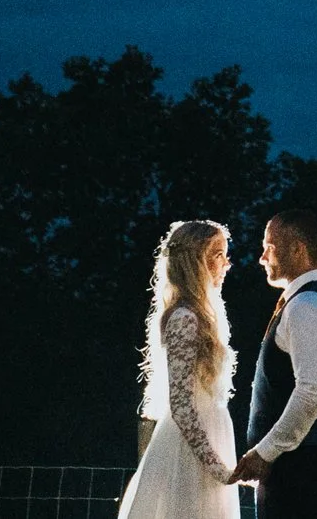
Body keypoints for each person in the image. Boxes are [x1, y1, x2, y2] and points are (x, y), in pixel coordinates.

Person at [229, 209, 317, 519]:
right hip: (300, 465)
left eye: (269, 245)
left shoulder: (307, 306)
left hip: (298, 467)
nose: (262, 257)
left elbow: (313, 391)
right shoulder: (309, 301)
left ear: (297, 248)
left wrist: (266, 452)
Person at [115, 220, 239, 519]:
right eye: (219, 254)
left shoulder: (204, 316)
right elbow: (181, 404)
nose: (227, 264)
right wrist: (217, 468)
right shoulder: (184, 318)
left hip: (211, 436)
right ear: (197, 260)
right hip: (187, 451)